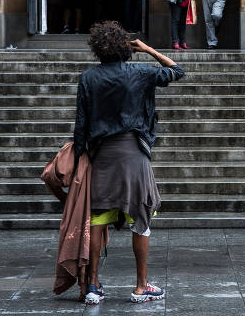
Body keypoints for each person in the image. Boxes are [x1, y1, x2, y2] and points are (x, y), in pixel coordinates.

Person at [72, 21, 184, 305]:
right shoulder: (140, 72)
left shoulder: (88, 78)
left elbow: (81, 122)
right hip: (133, 153)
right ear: (125, 47)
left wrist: (78, 158)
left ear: (97, 49)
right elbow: (177, 71)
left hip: (101, 155)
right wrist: (148, 50)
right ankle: (141, 287)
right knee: (141, 219)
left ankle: (92, 285)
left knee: (98, 220)